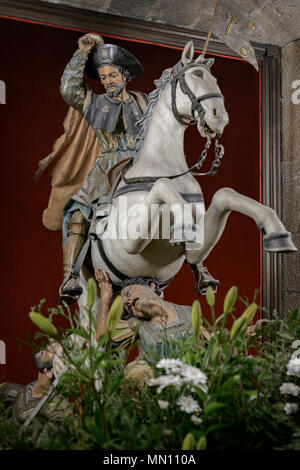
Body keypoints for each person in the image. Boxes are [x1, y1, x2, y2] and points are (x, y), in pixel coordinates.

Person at [35, 33, 219, 305]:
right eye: (104, 77)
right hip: (109, 165)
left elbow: (167, 117)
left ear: (125, 76)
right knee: (78, 209)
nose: (108, 81)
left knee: (185, 194)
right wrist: (82, 52)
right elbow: (68, 89)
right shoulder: (93, 103)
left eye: (113, 75)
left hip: (144, 161)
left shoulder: (143, 100)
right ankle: (71, 275)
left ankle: (198, 267)